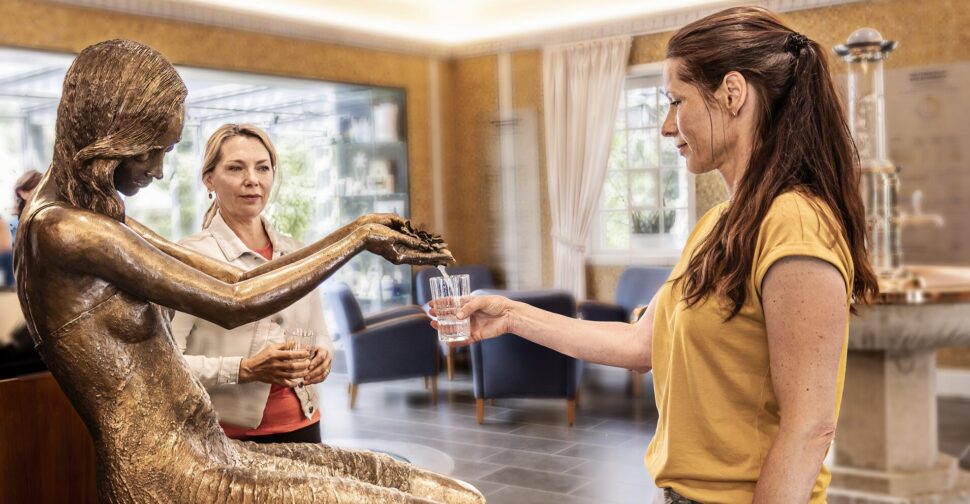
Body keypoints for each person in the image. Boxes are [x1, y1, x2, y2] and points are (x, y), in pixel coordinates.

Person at [15, 39, 481, 503]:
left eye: (262, 168)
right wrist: (358, 236)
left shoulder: (94, 221)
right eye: (150, 151)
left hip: (208, 448)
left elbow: (237, 282)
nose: (157, 170)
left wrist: (357, 233)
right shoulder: (66, 229)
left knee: (439, 488)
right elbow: (234, 302)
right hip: (171, 468)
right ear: (111, 135)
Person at [447, 6, 878, 504]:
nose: (666, 126)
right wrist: (511, 315)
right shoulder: (719, 224)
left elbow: (810, 430)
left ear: (732, 93)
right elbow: (638, 344)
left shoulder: (796, 224)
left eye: (676, 101)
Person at [171, 124, 335, 444]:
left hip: (305, 426)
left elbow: (320, 334)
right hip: (229, 439)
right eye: (235, 168)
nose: (252, 179)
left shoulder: (299, 253)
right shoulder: (187, 260)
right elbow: (168, 365)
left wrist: (324, 355)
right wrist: (245, 369)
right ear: (209, 179)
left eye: (263, 168)